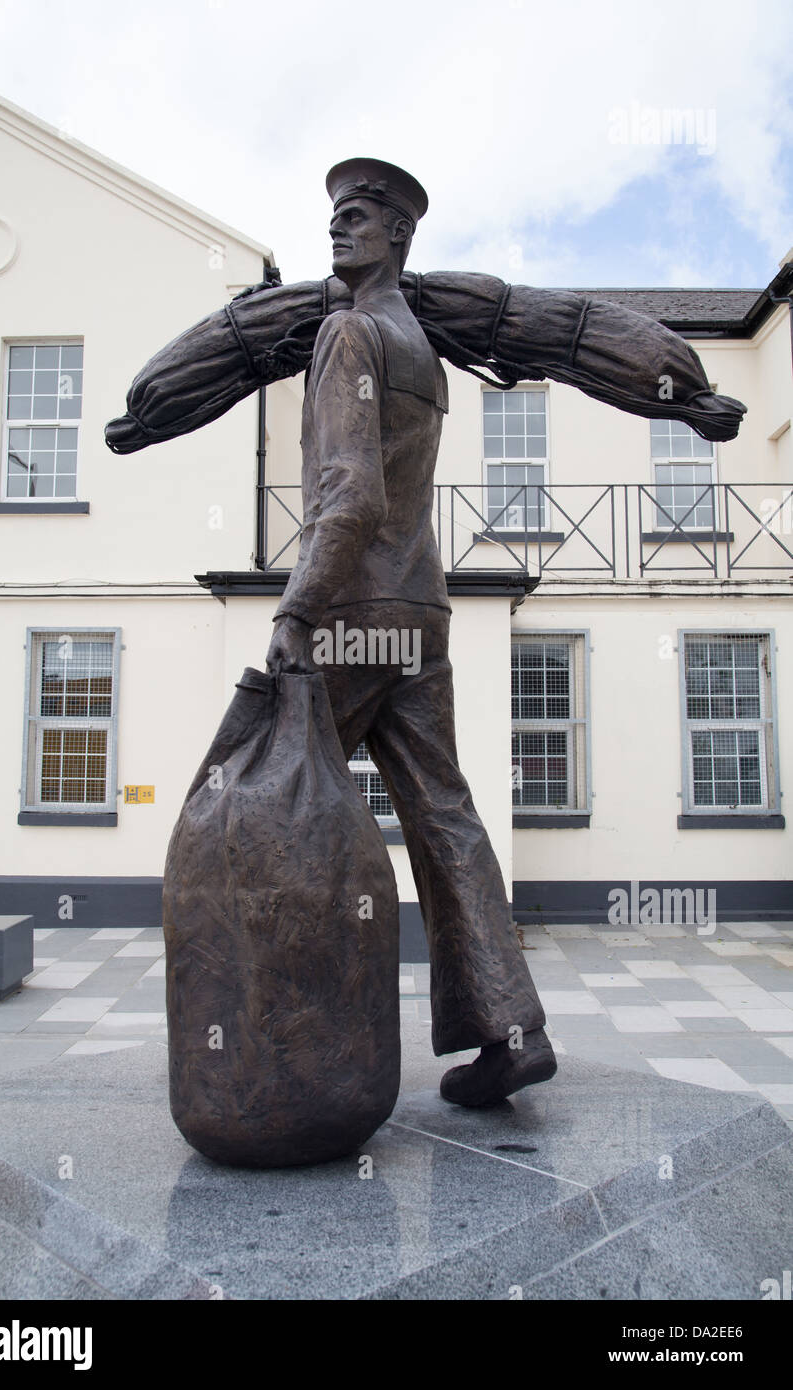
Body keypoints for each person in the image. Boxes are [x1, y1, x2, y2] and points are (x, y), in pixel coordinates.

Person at [265, 158, 555, 1106]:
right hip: (421, 613)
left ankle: (286, 1041)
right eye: (335, 218)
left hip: (353, 610)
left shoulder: (349, 333)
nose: (337, 231)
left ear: (399, 236)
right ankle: (510, 1028)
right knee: (445, 814)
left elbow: (347, 495)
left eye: (357, 218)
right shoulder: (422, 349)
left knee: (270, 805)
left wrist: (298, 607)